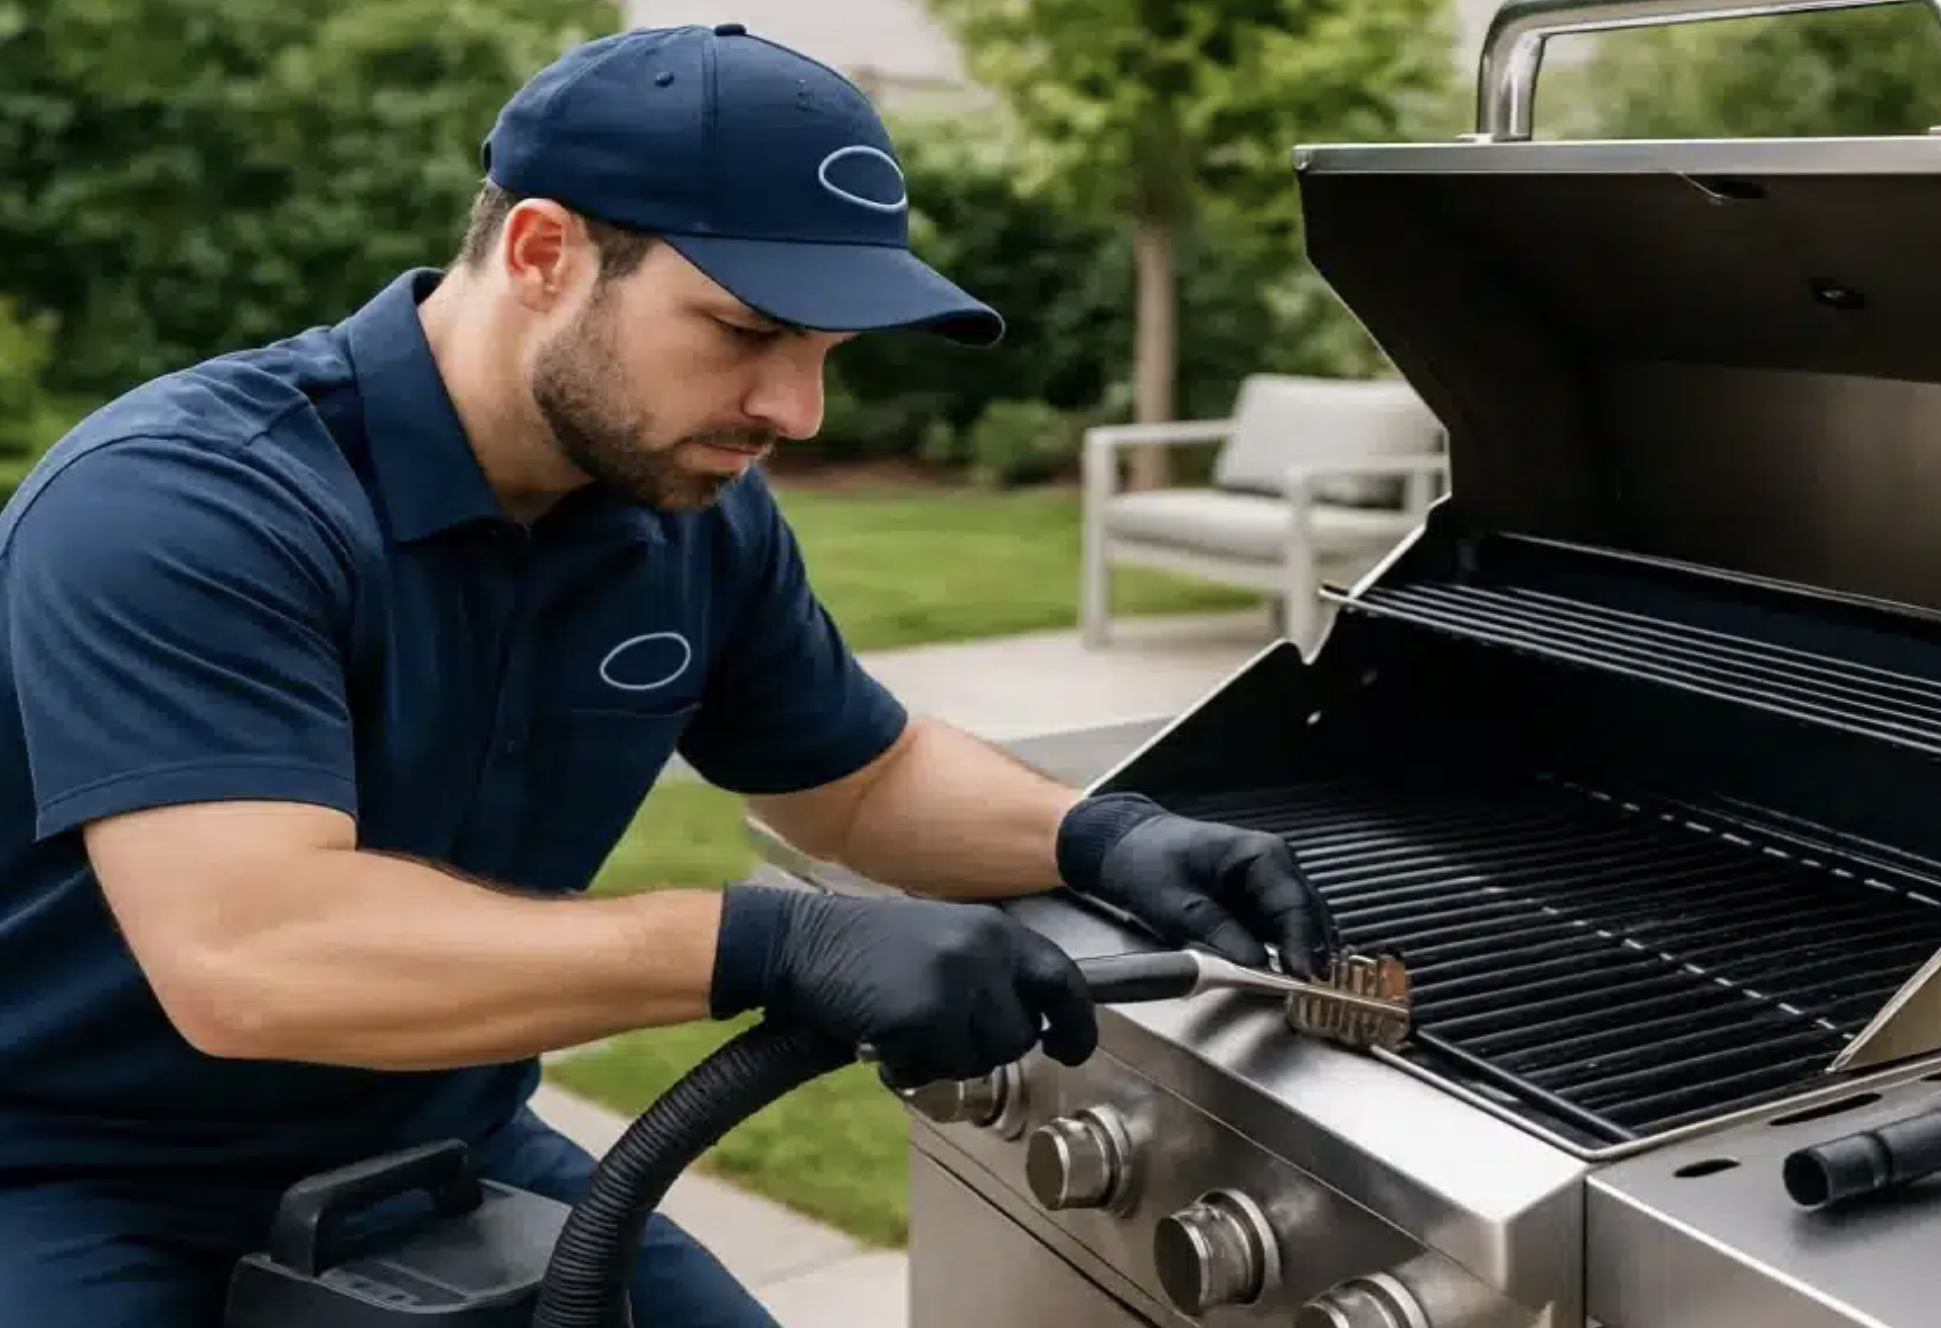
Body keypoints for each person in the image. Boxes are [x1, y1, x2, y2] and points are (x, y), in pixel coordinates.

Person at [0, 24, 1340, 1328]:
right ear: (541, 250)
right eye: (747, 331)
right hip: (66, 1170)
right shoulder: (189, 505)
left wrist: (1101, 834)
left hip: (437, 1143)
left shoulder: (688, 513)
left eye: (826, 352)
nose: (795, 412)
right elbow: (256, 955)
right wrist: (774, 942)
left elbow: (860, 783)